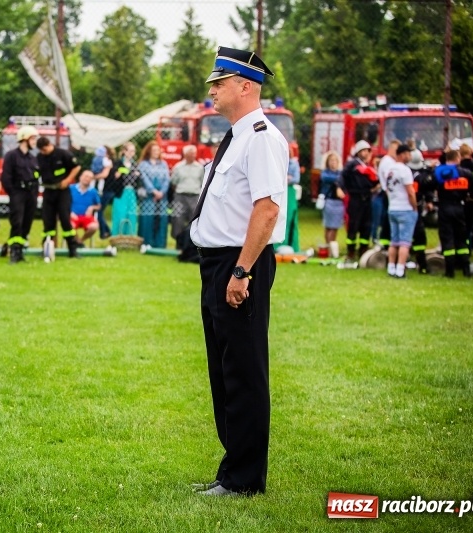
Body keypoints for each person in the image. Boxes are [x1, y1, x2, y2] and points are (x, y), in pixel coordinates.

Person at [190, 46, 288, 497]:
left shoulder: (262, 137)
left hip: (239, 263)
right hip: (218, 262)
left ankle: (245, 479)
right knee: (223, 370)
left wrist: (242, 272)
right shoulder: (236, 137)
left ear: (245, 86)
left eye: (219, 83)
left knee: (244, 372)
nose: (212, 90)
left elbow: (266, 210)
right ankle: (233, 471)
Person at [433, 150, 473, 277]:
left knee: (447, 238)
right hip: (460, 207)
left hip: (445, 207)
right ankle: (466, 269)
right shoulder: (464, 173)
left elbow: (430, 185)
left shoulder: (440, 172)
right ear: (457, 158)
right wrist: (471, 194)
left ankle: (450, 271)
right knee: (462, 238)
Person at [36, 136, 81, 257]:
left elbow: (76, 167)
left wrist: (67, 180)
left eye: (44, 150)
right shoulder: (40, 157)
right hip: (48, 191)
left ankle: (72, 249)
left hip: (62, 192)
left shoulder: (63, 154)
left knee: (65, 220)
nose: (43, 153)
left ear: (48, 145)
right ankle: (47, 248)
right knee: (48, 222)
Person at [0, 125, 39, 264]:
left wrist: (34, 193)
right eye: (33, 138)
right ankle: (14, 252)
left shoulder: (32, 158)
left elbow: (36, 176)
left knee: (27, 223)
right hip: (17, 192)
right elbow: (6, 177)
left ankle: (20, 250)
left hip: (31, 194)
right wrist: (13, 193)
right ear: (24, 139)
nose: (35, 141)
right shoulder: (12, 156)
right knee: (17, 222)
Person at [341, 140, 379, 265]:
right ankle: (350, 252)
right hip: (356, 199)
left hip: (367, 199)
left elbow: (373, 181)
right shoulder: (352, 165)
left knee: (366, 226)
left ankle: (363, 251)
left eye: (367, 150)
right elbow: (343, 177)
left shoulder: (368, 167)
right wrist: (346, 189)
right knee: (353, 225)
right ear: (358, 152)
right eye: (363, 150)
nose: (365, 153)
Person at [385, 145, 417, 278]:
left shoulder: (390, 169)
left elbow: (387, 189)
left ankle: (391, 267)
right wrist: (414, 206)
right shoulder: (405, 170)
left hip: (393, 207)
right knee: (405, 242)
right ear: (402, 154)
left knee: (394, 241)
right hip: (405, 208)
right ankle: (400, 269)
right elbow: (410, 191)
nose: (410, 157)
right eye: (408, 154)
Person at [137, 141, 170, 248]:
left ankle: (159, 244)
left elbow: (167, 179)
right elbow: (144, 179)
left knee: (161, 219)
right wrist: (153, 191)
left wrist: (161, 192)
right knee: (148, 219)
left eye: (158, 150)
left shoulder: (163, 164)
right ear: (149, 152)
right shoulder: (143, 164)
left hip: (162, 195)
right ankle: (146, 242)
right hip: (148, 196)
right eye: (154, 150)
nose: (156, 152)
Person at [170, 145, 204, 245]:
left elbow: (202, 182)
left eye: (194, 153)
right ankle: (178, 243)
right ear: (185, 155)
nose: (193, 155)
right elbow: (173, 182)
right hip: (180, 196)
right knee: (178, 220)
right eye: (191, 154)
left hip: (194, 196)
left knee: (194, 221)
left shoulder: (199, 167)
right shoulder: (178, 167)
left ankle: (192, 245)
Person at [374, 140, 400, 247]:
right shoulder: (388, 162)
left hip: (390, 195)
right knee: (387, 221)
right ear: (390, 149)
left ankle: (388, 241)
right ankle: (385, 243)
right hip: (388, 195)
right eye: (396, 150)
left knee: (388, 220)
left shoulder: (390, 161)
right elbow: (390, 180)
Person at [111, 142, 139, 237]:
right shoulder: (117, 163)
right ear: (124, 151)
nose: (132, 153)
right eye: (130, 151)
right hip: (121, 193)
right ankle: (117, 237)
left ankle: (130, 237)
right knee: (120, 214)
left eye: (133, 151)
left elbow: (137, 179)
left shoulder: (135, 165)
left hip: (131, 192)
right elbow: (114, 178)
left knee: (131, 215)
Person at [320, 151, 345, 252]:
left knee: (335, 227)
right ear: (327, 162)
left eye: (335, 160)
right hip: (329, 201)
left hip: (339, 203)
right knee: (329, 226)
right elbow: (329, 179)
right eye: (331, 160)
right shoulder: (325, 173)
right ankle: (328, 247)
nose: (333, 162)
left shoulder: (340, 173)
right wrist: (339, 180)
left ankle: (332, 248)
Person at [70, 170, 101, 247]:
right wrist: (69, 212)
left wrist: (92, 207)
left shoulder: (93, 191)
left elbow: (99, 205)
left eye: (90, 178)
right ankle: (76, 241)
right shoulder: (71, 189)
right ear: (80, 177)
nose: (87, 179)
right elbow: (64, 203)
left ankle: (80, 241)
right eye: (86, 176)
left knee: (94, 226)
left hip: (87, 217)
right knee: (69, 225)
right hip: (73, 216)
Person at [277, 155, 300, 251]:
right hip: (278, 191)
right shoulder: (275, 160)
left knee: (290, 218)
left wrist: (284, 178)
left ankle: (291, 247)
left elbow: (296, 179)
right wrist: (286, 177)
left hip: (289, 192)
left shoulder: (293, 164)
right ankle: (277, 247)